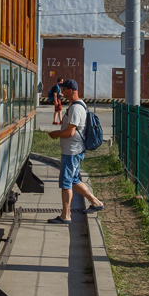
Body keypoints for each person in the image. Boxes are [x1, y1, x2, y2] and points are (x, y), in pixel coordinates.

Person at [44, 79, 103, 223]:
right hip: (73, 150)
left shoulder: (76, 108)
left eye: (64, 90)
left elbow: (70, 132)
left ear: (70, 91)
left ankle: (66, 215)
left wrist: (56, 133)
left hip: (73, 151)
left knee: (66, 183)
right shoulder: (76, 105)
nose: (62, 93)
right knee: (74, 179)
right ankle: (96, 203)